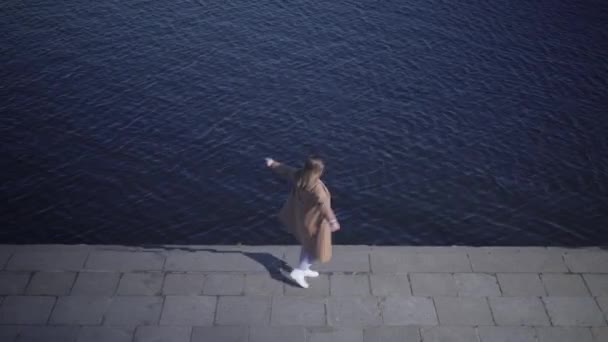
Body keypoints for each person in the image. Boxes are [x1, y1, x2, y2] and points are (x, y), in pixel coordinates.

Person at [265, 155, 340, 288]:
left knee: (307, 246)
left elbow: (285, 170)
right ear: (318, 172)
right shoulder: (317, 189)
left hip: (304, 219)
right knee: (315, 251)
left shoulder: (299, 175)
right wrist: (333, 221)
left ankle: (303, 269)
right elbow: (325, 207)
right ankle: (299, 272)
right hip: (315, 223)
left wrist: (272, 164)